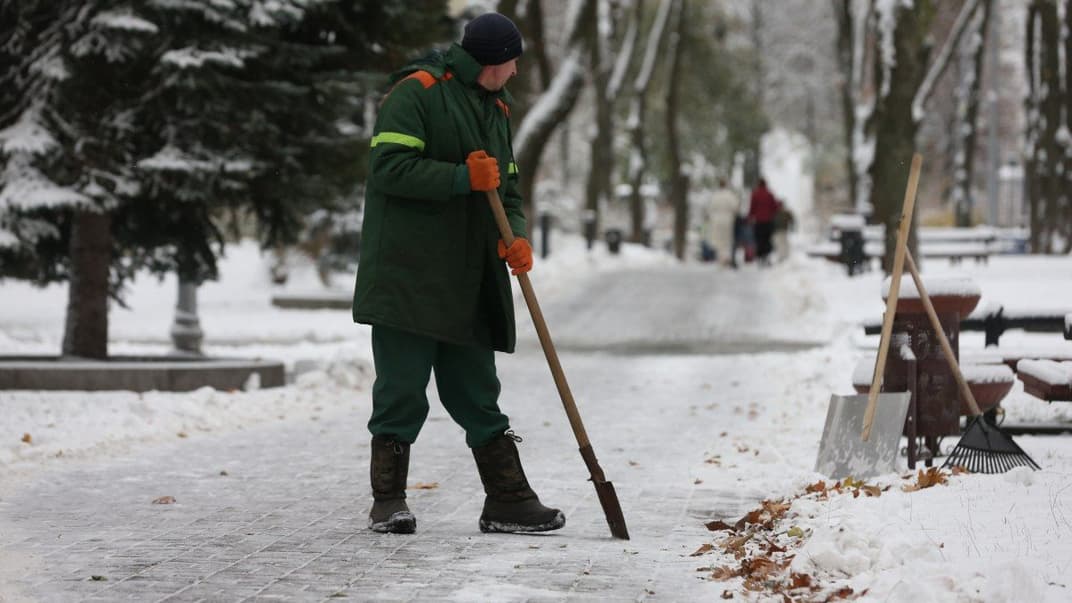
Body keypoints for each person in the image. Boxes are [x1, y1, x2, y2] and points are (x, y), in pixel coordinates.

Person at [351, 12, 565, 536]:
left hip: (468, 277)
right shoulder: (417, 93)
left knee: (477, 390)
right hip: (408, 274)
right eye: (513, 61)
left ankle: (508, 500)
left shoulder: (496, 108)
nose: (516, 71)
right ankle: (388, 501)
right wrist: (461, 178)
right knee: (402, 390)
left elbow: (507, 190)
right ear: (494, 60)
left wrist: (516, 236)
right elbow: (388, 169)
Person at [702, 178, 740, 266]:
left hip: (716, 220)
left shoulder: (715, 195)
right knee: (727, 239)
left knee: (718, 239)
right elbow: (735, 207)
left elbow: (710, 208)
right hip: (727, 219)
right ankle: (726, 257)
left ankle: (721, 259)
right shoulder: (730, 195)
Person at [748, 177, 780, 266]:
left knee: (759, 239)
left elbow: (752, 207)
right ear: (766, 184)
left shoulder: (755, 194)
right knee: (767, 239)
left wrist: (750, 217)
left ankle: (760, 257)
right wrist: (772, 214)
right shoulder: (769, 194)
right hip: (768, 221)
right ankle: (766, 257)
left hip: (758, 221)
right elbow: (775, 207)